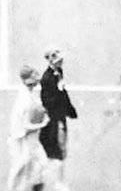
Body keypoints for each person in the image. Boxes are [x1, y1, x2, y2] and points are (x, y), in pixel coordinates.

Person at [39, 47, 77, 182]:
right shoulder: (47, 78)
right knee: (58, 149)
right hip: (54, 118)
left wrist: (69, 109)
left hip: (60, 115)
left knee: (59, 147)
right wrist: (59, 90)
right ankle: (55, 181)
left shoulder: (58, 72)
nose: (61, 63)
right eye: (58, 61)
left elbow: (62, 93)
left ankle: (46, 178)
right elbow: (47, 101)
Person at [8, 67, 48, 191]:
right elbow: (25, 126)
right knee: (20, 168)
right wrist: (43, 124)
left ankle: (36, 184)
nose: (37, 78)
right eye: (34, 76)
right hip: (20, 138)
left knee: (39, 162)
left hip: (27, 136)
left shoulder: (27, 92)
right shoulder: (24, 100)